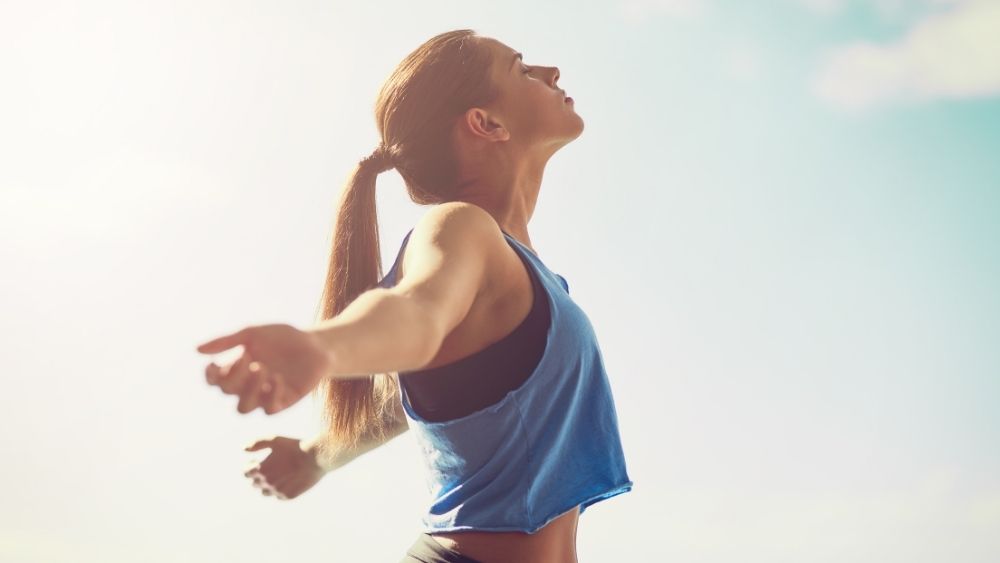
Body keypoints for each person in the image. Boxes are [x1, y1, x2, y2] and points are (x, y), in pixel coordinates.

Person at [196, 29, 633, 563]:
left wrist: (317, 456)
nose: (551, 72)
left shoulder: (531, 276)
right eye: (521, 68)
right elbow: (414, 314)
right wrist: (324, 348)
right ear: (485, 123)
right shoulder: (461, 226)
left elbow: (406, 403)